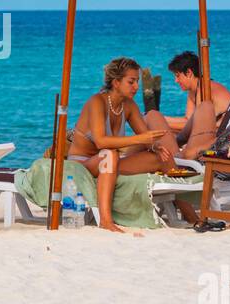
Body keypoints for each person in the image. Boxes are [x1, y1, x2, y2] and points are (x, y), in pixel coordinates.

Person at [60, 57, 180, 233]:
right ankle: (106, 221)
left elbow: (145, 136)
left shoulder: (129, 105)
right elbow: (101, 141)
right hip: (83, 164)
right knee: (109, 154)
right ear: (116, 82)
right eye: (131, 82)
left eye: (137, 81)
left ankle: (189, 215)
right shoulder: (97, 102)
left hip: (111, 162)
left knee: (162, 155)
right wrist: (141, 139)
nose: (136, 87)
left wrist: (155, 146)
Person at [144, 51, 230, 160]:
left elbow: (195, 125)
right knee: (156, 125)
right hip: (208, 135)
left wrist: (161, 121)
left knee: (154, 125)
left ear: (189, 73)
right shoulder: (193, 91)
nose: (176, 81)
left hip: (218, 139)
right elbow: (188, 120)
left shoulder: (205, 89)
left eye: (178, 76)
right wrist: (163, 120)